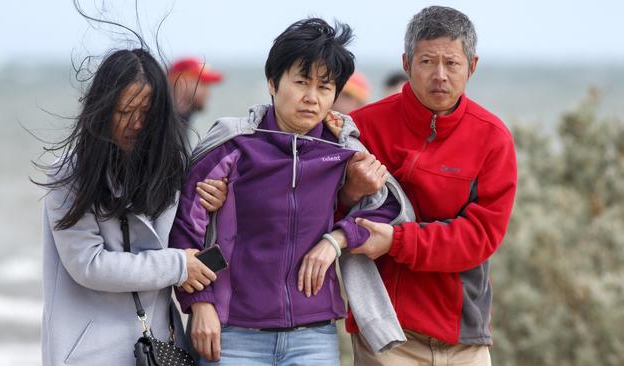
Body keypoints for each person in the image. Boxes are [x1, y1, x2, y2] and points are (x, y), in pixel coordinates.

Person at [169, 18, 406, 365]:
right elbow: (186, 229)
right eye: (301, 82)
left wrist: (336, 240)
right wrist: (200, 304)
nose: (312, 98)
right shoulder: (235, 145)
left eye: (325, 88)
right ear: (273, 82)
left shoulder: (342, 151)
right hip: (233, 334)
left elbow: (388, 208)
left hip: (314, 335)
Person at [332, 6, 517, 365]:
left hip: (466, 336)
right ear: (406, 62)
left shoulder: (493, 138)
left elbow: (480, 237)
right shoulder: (363, 126)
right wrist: (350, 192)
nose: (440, 76)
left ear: (472, 66)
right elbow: (324, 209)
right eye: (428, 61)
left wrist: (397, 242)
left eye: (452, 63)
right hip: (385, 334)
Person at [39, 48, 229, 366]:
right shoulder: (68, 173)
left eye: (147, 113)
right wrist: (178, 266)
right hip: (88, 353)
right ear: (102, 109)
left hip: (161, 349)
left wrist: (215, 200)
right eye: (125, 112)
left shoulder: (170, 166)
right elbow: (89, 265)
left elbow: (190, 235)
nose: (137, 123)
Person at [169, 57, 223, 125]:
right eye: (203, 84)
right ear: (181, 82)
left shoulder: (177, 120)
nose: (208, 93)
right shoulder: (162, 123)